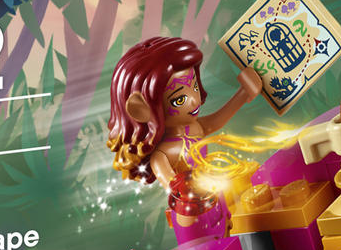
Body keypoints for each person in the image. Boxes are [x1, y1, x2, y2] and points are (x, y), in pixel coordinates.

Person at [106, 36, 264, 238]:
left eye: (195, 87)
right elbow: (175, 187)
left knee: (229, 241)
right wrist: (191, 187)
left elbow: (218, 119)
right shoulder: (162, 155)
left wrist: (244, 93)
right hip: (191, 217)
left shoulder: (194, 128)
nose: (194, 100)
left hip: (216, 200)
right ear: (142, 109)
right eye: (179, 99)